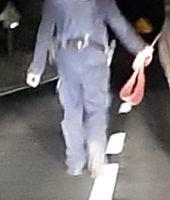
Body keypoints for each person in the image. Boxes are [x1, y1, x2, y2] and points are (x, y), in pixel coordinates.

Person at [26, 0, 154, 177]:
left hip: (67, 56)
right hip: (94, 56)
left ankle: (75, 162)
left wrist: (36, 68)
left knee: (71, 110)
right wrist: (140, 49)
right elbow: (118, 23)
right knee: (96, 109)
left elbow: (45, 31)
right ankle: (96, 154)